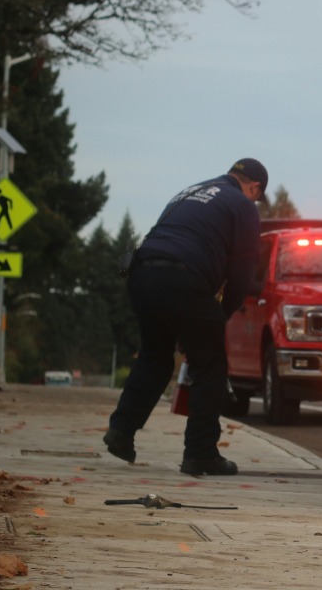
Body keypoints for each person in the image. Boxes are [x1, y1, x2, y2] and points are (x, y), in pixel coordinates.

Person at [103, 158, 267, 476]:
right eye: (257, 197)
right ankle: (200, 453)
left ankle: (121, 431)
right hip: (183, 278)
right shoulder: (244, 206)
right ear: (255, 187)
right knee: (210, 364)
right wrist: (221, 315)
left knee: (155, 356)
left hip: (141, 274)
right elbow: (243, 273)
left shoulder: (189, 191)